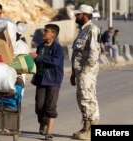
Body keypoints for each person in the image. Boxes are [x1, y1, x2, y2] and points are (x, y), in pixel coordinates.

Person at [70, 4, 100, 140]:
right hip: (80, 71)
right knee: (81, 99)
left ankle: (92, 129)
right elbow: (77, 53)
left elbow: (94, 52)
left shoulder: (93, 30)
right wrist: (73, 73)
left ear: (86, 15)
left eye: (79, 14)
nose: (76, 16)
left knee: (88, 98)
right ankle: (86, 126)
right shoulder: (83, 29)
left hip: (86, 71)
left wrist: (85, 70)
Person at [30, 24, 64, 141]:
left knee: (50, 106)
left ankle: (48, 132)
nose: (43, 32)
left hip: (53, 81)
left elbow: (54, 62)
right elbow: (37, 61)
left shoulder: (58, 48)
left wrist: (38, 57)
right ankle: (43, 122)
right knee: (39, 106)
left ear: (53, 34)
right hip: (40, 80)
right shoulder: (40, 46)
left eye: (46, 31)